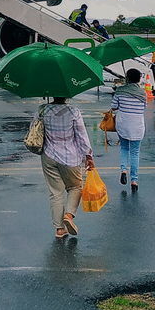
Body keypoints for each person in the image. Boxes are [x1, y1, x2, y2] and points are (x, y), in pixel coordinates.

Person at [34, 96, 95, 239]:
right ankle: (69, 215)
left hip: (48, 155)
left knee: (55, 192)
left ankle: (59, 229)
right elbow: (82, 136)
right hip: (70, 157)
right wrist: (88, 155)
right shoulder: (73, 112)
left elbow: (34, 130)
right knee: (75, 187)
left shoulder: (42, 110)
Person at [112, 67, 146, 192]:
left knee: (124, 148)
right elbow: (143, 108)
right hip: (137, 125)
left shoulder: (120, 91)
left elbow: (114, 107)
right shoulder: (142, 93)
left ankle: (123, 170)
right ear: (138, 79)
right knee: (135, 152)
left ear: (127, 78)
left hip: (123, 124)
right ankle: (134, 180)